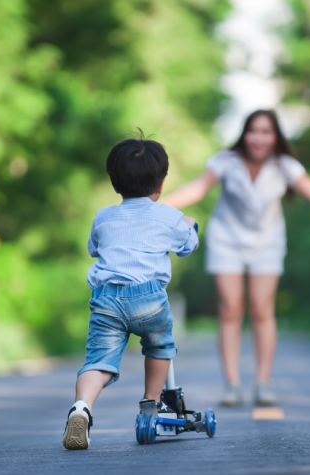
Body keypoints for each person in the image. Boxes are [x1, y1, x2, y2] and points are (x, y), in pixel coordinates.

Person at [161, 110, 310, 406]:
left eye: (266, 132)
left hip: (267, 243)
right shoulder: (226, 161)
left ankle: (263, 383)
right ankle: (232, 385)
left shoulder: (285, 166)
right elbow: (195, 190)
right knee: (231, 309)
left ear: (276, 138)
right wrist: (152, 207)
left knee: (262, 309)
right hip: (226, 240)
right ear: (244, 134)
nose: (259, 138)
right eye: (253, 131)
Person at [63, 135, 200, 450]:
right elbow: (188, 247)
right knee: (159, 346)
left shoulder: (103, 216)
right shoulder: (168, 216)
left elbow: (94, 248)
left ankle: (81, 407)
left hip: (106, 300)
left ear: (115, 184)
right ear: (161, 184)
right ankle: (150, 407)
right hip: (148, 299)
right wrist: (190, 225)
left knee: (98, 362)